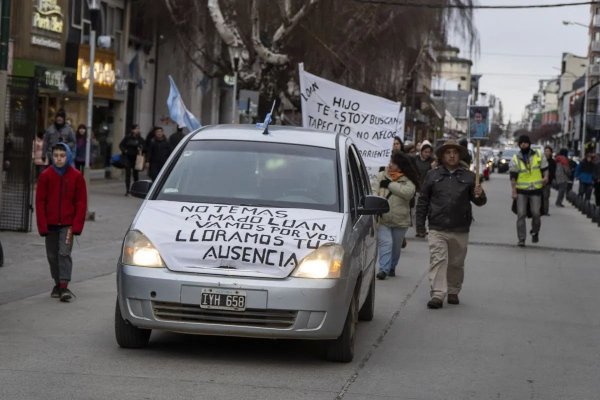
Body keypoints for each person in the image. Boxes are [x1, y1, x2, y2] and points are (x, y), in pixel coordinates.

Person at [416, 140, 486, 309]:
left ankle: (453, 290)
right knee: (438, 259)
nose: (452, 155)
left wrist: (479, 194)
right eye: (448, 152)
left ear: (460, 155)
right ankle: (438, 294)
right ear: (442, 156)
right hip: (437, 226)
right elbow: (423, 200)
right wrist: (419, 225)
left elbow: (480, 202)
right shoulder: (433, 175)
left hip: (460, 226)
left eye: (455, 152)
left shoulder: (469, 176)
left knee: (456, 262)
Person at [35, 143, 87, 302]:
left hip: (68, 225)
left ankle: (64, 287)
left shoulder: (76, 176)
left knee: (64, 253)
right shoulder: (45, 175)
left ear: (68, 156)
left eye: (62, 156)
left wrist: (77, 225)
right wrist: (42, 225)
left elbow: (81, 202)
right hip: (50, 224)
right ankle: (57, 283)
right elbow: (40, 202)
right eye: (56, 155)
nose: (59, 159)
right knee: (52, 256)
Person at [372, 151, 419, 280]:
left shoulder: (407, 179)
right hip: (383, 219)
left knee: (396, 247)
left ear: (400, 165)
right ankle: (383, 269)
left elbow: (408, 193)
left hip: (401, 220)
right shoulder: (381, 175)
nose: (390, 165)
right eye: (390, 162)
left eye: (393, 163)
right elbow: (373, 190)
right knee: (386, 243)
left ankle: (392, 267)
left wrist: (390, 185)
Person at [509, 135, 548, 247]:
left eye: (525, 143)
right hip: (521, 191)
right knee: (521, 214)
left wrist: (546, 177)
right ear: (519, 145)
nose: (523, 145)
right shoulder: (515, 158)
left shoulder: (538, 155)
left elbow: (545, 169)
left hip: (536, 190)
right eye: (521, 143)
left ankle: (535, 231)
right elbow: (513, 177)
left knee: (536, 213)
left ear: (529, 144)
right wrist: (513, 191)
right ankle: (521, 239)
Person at [119, 124, 146, 195]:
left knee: (135, 174)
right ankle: (127, 190)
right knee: (127, 174)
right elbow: (121, 145)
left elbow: (144, 147)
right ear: (132, 130)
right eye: (136, 129)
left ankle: (136, 189)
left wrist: (141, 149)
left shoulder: (140, 139)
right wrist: (125, 151)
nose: (137, 130)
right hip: (128, 157)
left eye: (138, 129)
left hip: (136, 158)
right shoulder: (128, 137)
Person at [541, 145, 556, 216]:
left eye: (548, 151)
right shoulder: (541, 160)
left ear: (551, 153)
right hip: (540, 181)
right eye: (545, 151)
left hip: (548, 182)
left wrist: (549, 179)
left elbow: (553, 172)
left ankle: (545, 211)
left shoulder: (552, 162)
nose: (546, 152)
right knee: (539, 196)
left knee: (546, 196)